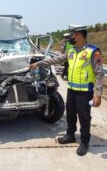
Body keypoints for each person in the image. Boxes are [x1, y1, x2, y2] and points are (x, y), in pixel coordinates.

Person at [29, 25, 104, 156]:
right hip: (72, 90)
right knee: (70, 114)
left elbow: (99, 75)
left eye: (72, 35)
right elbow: (56, 59)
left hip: (85, 92)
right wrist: (38, 63)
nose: (70, 37)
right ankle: (70, 135)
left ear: (79, 35)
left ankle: (85, 141)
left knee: (84, 117)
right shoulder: (72, 51)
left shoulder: (93, 52)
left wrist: (98, 95)